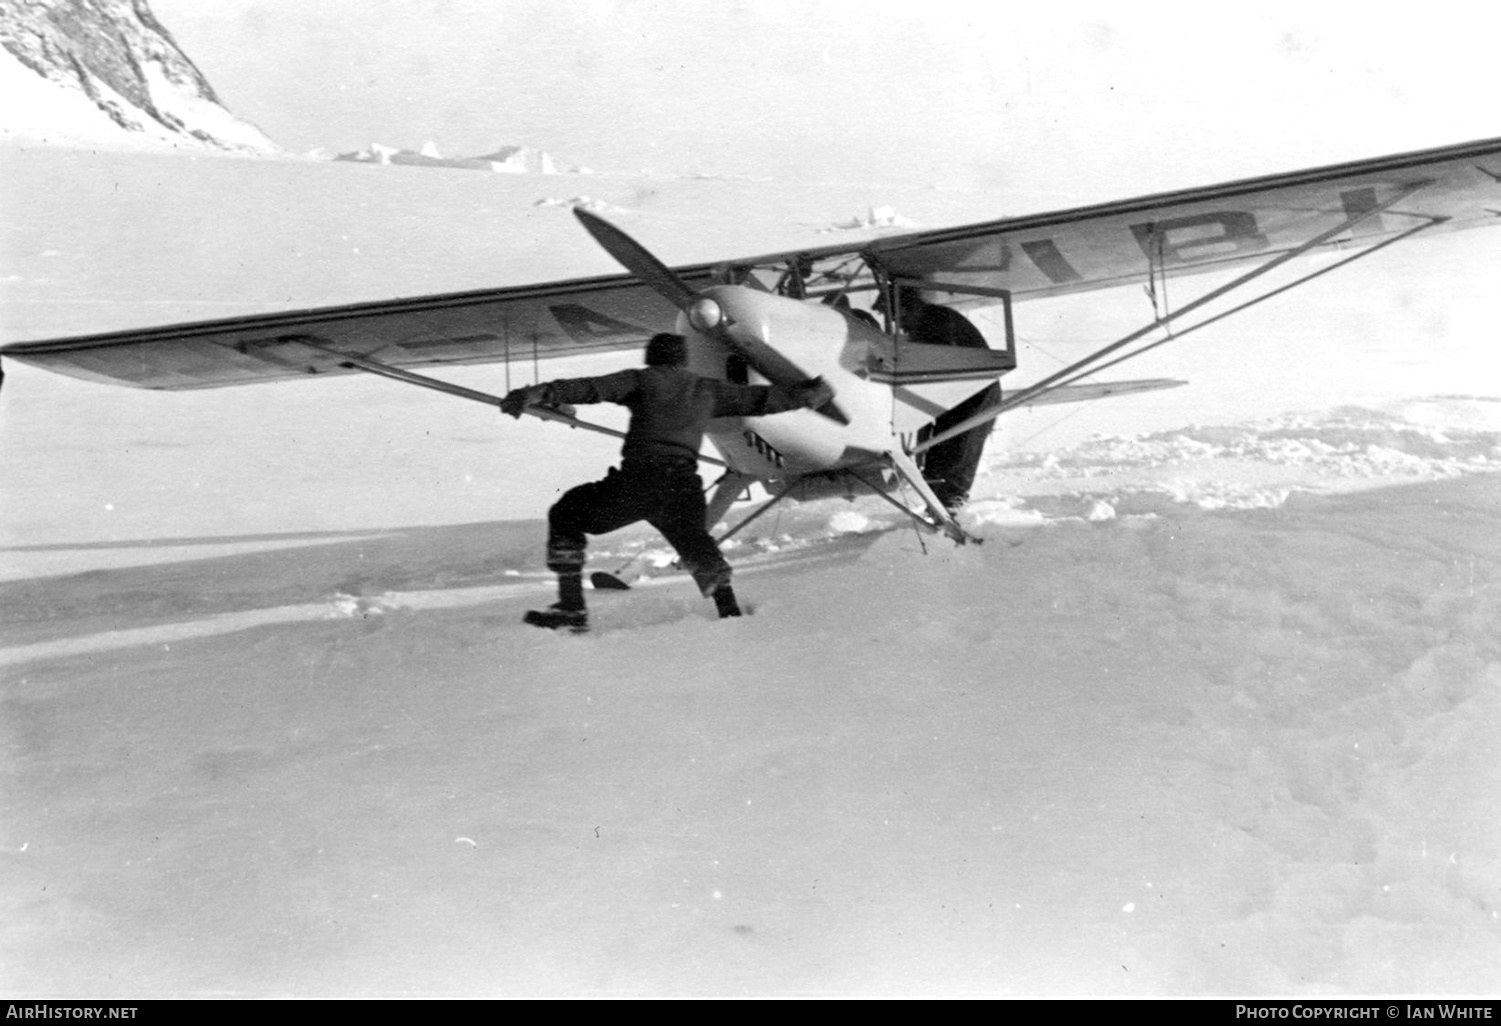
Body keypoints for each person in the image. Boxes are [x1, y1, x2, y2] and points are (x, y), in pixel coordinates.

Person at [499, 332, 833, 632]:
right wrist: (808, 395)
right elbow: (761, 400)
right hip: (683, 487)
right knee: (696, 545)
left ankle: (571, 607)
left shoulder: (642, 380)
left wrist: (538, 393)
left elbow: (591, 389)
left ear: (651, 357)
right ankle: (729, 612)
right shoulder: (707, 390)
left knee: (567, 512)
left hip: (639, 481)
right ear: (683, 359)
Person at [882, 285, 1002, 512]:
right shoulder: (929, 322)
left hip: (976, 391)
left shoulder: (937, 321)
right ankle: (938, 505)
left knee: (959, 448)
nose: (900, 325)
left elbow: (931, 363)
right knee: (939, 452)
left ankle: (951, 503)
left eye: (900, 317)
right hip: (952, 393)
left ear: (910, 308)